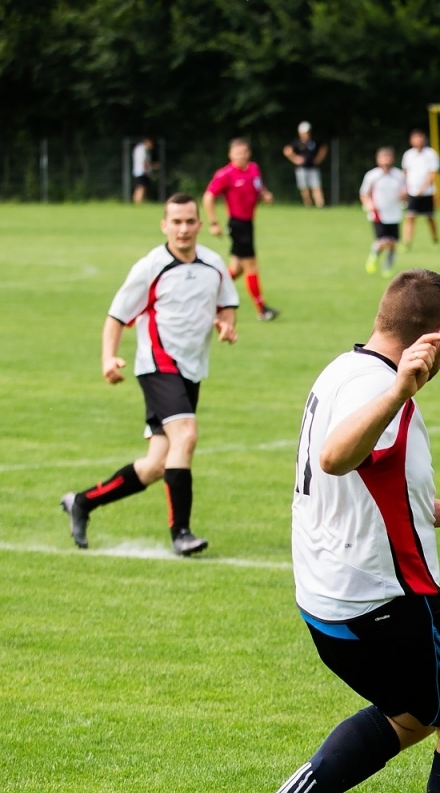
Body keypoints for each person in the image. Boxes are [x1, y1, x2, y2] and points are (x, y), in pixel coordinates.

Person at [240, 269, 440, 793]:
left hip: (333, 602)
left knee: (416, 713)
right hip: (382, 605)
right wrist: (400, 390)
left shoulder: (342, 369)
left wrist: (435, 511)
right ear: (435, 340)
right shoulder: (381, 388)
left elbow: (357, 479)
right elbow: (336, 456)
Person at [60, 194, 238, 556]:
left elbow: (227, 305)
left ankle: (82, 502)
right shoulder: (151, 266)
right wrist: (108, 358)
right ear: (164, 225)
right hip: (158, 365)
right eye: (176, 222)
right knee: (185, 436)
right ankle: (181, 534)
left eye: (190, 221)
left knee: (157, 464)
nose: (184, 229)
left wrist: (225, 326)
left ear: (199, 225)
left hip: (191, 370)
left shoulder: (214, 264)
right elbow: (115, 318)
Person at [203, 138, 279, 321]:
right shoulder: (225, 174)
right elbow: (208, 197)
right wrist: (213, 222)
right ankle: (262, 310)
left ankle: (205, 291)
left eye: (244, 152)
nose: (241, 156)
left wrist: (265, 195)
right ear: (230, 155)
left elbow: (259, 188)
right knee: (251, 266)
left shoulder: (253, 169)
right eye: (237, 153)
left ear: (249, 153)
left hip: (249, 224)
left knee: (236, 269)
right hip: (237, 225)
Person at [360, 147, 406, 278]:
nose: (385, 160)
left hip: (395, 213)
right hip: (379, 213)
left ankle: (388, 266)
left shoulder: (399, 175)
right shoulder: (372, 175)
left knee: (392, 243)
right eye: (383, 157)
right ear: (377, 160)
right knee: (382, 241)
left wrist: (404, 196)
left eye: (388, 157)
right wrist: (368, 204)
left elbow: (404, 192)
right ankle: (374, 256)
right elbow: (364, 194)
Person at [401, 130, 440, 247]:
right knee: (410, 216)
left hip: (427, 192)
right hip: (412, 191)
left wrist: (423, 188)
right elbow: (405, 172)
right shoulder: (408, 155)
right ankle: (407, 241)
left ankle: (435, 238)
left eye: (420, 138)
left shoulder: (431, 154)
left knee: (430, 217)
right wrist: (405, 187)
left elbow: (433, 173)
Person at [283, 121, 327, 208]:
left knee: (316, 187)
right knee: (304, 189)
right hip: (301, 169)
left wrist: (319, 158)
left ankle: (320, 205)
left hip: (313, 168)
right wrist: (295, 159)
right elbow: (287, 150)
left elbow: (323, 148)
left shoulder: (313, 142)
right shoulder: (297, 143)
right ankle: (308, 206)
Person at [131, 137, 156, 205]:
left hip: (139, 171)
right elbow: (144, 161)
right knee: (141, 187)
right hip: (142, 171)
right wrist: (150, 168)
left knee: (139, 187)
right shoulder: (142, 149)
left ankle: (137, 202)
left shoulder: (139, 149)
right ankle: (138, 203)